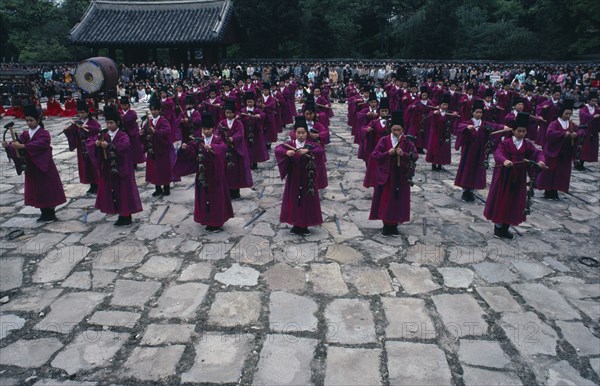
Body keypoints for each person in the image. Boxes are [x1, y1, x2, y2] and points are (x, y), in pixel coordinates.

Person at [483, 113, 546, 239]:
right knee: (502, 201)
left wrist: (541, 161)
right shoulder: (505, 143)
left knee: (513, 202)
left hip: (518, 179)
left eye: (524, 131)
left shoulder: (527, 144)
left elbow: (537, 153)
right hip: (504, 178)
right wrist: (504, 160)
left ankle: (506, 227)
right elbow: (498, 153)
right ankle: (498, 228)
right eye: (519, 131)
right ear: (513, 130)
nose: (521, 134)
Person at [2, 105, 66, 221]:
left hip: (43, 166)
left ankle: (50, 213)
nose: (29, 123)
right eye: (27, 120)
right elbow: (17, 146)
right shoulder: (26, 134)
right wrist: (9, 146)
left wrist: (22, 146)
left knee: (47, 189)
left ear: (38, 120)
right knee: (37, 190)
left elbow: (41, 144)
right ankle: (43, 212)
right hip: (32, 168)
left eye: (31, 120)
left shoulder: (44, 133)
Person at [174, 112, 233, 232]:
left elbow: (223, 148)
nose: (206, 131)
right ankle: (207, 220)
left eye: (209, 129)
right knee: (204, 198)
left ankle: (217, 222)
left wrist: (212, 148)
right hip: (202, 174)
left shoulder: (217, 140)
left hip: (215, 175)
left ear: (213, 129)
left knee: (216, 198)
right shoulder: (199, 140)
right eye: (204, 129)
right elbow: (192, 150)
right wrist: (184, 149)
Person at [86, 106, 142, 226]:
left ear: (117, 122)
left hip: (122, 168)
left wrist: (110, 146)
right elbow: (90, 141)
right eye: (107, 123)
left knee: (124, 192)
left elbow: (125, 146)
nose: (109, 125)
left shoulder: (122, 135)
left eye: (111, 123)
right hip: (109, 170)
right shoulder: (104, 134)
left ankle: (126, 216)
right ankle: (120, 214)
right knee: (115, 192)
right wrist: (96, 144)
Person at [367, 110, 418, 237]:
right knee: (386, 200)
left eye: (399, 130)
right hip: (387, 176)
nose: (396, 133)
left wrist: (404, 154)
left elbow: (415, 155)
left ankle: (394, 225)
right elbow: (375, 154)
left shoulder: (407, 141)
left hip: (401, 176)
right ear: (390, 129)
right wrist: (387, 153)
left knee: (398, 200)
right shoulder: (384, 140)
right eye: (394, 130)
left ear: (402, 129)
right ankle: (386, 225)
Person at [275, 116, 324, 235]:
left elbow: (320, 151)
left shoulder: (311, 144)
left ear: (307, 133)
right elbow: (277, 149)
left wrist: (308, 151)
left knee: (306, 200)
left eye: (303, 133)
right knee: (293, 199)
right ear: (294, 133)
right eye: (298, 133)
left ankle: (305, 224)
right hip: (294, 177)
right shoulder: (290, 144)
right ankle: (295, 223)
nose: (301, 135)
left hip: (308, 178)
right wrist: (287, 152)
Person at [454, 100, 512, 202]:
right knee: (467, 170)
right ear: (472, 112)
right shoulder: (468, 123)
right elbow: (459, 127)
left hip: (480, 152)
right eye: (476, 112)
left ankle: (471, 190)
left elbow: (495, 127)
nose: (478, 114)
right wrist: (467, 127)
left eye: (480, 112)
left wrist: (504, 127)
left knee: (477, 170)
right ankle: (466, 190)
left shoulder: (484, 125)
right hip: (469, 152)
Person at [536, 99, 584, 199]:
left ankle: (555, 190)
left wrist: (576, 134)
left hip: (565, 153)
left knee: (561, 173)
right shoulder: (555, 123)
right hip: (554, 152)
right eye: (566, 113)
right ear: (561, 112)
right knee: (551, 172)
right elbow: (549, 134)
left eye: (570, 114)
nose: (568, 116)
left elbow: (580, 131)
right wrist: (563, 134)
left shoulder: (571, 124)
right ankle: (548, 190)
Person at [62, 99, 101, 194]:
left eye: (83, 112)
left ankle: (97, 184)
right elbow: (72, 132)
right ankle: (92, 185)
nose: (81, 114)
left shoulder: (93, 122)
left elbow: (98, 130)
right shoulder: (77, 123)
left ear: (87, 112)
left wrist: (85, 127)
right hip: (82, 149)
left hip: (91, 148)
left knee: (93, 166)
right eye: (79, 112)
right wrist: (67, 130)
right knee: (85, 167)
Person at [216, 102, 253, 199]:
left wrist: (233, 138)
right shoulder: (222, 123)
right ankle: (227, 190)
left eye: (230, 113)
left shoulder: (238, 123)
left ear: (234, 113)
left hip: (236, 150)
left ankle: (236, 191)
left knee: (236, 171)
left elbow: (241, 133)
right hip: (226, 150)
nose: (228, 115)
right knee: (226, 170)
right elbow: (217, 133)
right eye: (226, 113)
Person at [141, 99, 175, 196]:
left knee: (164, 168)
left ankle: (166, 187)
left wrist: (155, 131)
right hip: (153, 149)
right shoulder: (149, 121)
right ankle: (158, 188)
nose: (153, 112)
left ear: (159, 110)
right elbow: (145, 134)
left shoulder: (163, 120)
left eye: (155, 109)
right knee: (155, 170)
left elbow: (167, 131)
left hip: (162, 149)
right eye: (151, 110)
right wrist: (141, 134)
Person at [426, 94, 460, 171]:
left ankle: (440, 164)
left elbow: (455, 114)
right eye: (443, 104)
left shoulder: (448, 113)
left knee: (443, 149)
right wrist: (434, 114)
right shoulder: (435, 112)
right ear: (440, 105)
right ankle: (434, 164)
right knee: (435, 148)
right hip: (436, 133)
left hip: (445, 134)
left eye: (446, 105)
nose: (445, 106)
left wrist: (455, 113)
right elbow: (429, 117)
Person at [575, 90, 599, 170]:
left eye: (595, 101)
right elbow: (582, 115)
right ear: (588, 101)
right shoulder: (584, 108)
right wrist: (592, 117)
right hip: (585, 131)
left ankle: (583, 162)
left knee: (589, 148)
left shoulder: (597, 109)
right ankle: (578, 162)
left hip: (593, 131)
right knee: (582, 147)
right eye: (592, 101)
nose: (594, 102)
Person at [119, 96, 146, 167]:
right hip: (124, 132)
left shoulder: (132, 113)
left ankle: (135, 163)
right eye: (122, 105)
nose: (124, 107)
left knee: (134, 149)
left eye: (125, 105)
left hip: (132, 133)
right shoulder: (120, 113)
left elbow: (131, 119)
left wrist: (123, 118)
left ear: (128, 105)